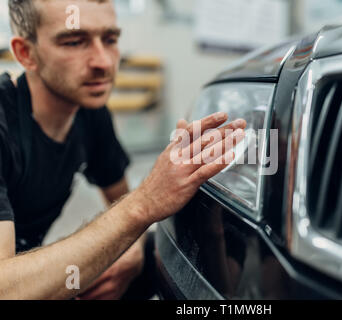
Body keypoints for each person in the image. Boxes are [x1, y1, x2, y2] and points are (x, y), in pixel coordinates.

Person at [0, 0, 246, 300]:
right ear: (26, 54)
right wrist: (144, 204)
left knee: (206, 252)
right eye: (75, 41)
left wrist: (132, 248)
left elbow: (119, 200)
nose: (103, 62)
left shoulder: (89, 112)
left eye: (110, 39)